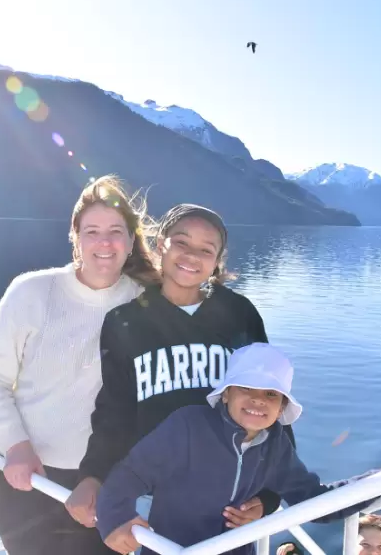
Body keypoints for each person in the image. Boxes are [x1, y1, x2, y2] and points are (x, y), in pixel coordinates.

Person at [65, 204, 293, 531]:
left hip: (231, 500)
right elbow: (114, 410)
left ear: (217, 261)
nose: (191, 255)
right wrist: (93, 476)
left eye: (206, 249)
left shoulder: (238, 314)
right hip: (155, 500)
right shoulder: (125, 321)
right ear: (161, 245)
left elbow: (272, 397)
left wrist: (270, 493)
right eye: (181, 242)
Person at [0, 175, 162, 555]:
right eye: (92, 231)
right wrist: (16, 445)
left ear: (130, 238)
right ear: (75, 237)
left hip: (107, 484)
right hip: (29, 478)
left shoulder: (146, 304)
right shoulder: (32, 292)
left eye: (115, 231)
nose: (104, 242)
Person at [93, 342, 379, 555]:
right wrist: (114, 517)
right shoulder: (188, 425)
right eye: (246, 388)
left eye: (270, 394)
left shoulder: (275, 445)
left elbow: (313, 501)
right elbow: (131, 474)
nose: (258, 400)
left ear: (281, 406)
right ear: (227, 393)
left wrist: (380, 484)